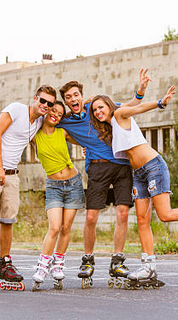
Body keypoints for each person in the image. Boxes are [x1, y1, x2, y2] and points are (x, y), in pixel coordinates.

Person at [89, 89, 178, 287]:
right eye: (94, 110)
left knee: (165, 214)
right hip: (138, 174)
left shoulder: (118, 114)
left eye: (100, 107)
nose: (97, 111)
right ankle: (148, 266)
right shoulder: (112, 129)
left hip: (153, 167)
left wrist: (159, 103)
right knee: (142, 220)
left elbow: (138, 108)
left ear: (109, 106)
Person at [57, 69, 152, 288]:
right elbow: (50, 128)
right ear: (66, 101)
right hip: (98, 169)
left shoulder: (95, 107)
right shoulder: (66, 121)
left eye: (75, 95)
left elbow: (126, 107)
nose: (73, 99)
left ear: (82, 96)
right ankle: (88, 259)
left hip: (122, 166)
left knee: (122, 213)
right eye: (68, 97)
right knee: (91, 217)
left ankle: (117, 260)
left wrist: (140, 91)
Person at [0, 85, 57, 292]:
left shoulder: (39, 122)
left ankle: (4, 263)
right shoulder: (16, 109)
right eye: (42, 101)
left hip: (11, 175)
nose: (45, 105)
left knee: (8, 220)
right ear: (35, 98)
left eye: (50, 103)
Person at [31, 101, 85, 291]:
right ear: (47, 111)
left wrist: (89, 148)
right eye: (54, 111)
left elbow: (86, 140)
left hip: (74, 182)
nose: (56, 115)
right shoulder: (34, 135)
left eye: (60, 114)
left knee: (66, 227)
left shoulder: (63, 133)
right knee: (54, 227)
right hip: (53, 186)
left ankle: (58, 263)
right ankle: (42, 266)